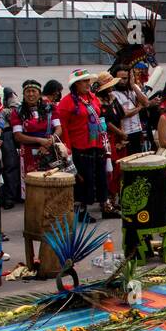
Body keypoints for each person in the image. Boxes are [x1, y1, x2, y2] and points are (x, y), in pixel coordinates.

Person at [57, 69, 109, 222]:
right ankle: (81, 211)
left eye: (88, 81)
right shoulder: (66, 103)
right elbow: (64, 127)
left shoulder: (92, 98)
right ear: (76, 84)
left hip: (97, 144)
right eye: (84, 81)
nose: (88, 84)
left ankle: (104, 205)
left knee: (100, 177)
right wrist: (67, 148)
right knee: (82, 180)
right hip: (80, 146)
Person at [10, 80, 63, 185]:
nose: (31, 94)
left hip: (49, 149)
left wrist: (50, 141)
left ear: (39, 93)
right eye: (28, 91)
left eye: (33, 91)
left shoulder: (50, 108)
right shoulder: (18, 112)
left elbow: (58, 129)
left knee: (49, 182)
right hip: (28, 153)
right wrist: (39, 140)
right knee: (31, 183)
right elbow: (18, 136)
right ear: (23, 94)